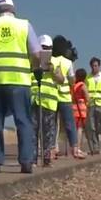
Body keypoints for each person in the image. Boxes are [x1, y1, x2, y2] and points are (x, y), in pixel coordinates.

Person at [0, 0, 42, 174]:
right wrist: (35, 67)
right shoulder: (24, 25)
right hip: (19, 80)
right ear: (13, 10)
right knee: (23, 120)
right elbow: (37, 53)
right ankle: (26, 162)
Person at [30, 34, 60, 167]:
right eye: (43, 47)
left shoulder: (56, 62)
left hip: (49, 103)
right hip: (34, 101)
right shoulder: (32, 61)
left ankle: (47, 159)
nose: (45, 50)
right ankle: (32, 159)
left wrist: (52, 70)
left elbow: (61, 79)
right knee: (32, 131)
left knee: (48, 133)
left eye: (48, 48)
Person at [51, 35, 80, 159]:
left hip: (51, 96)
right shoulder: (67, 62)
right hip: (64, 97)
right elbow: (72, 80)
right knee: (70, 124)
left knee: (52, 124)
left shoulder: (50, 60)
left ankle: (52, 148)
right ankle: (75, 149)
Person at [71, 68, 91, 157]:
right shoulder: (82, 85)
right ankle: (78, 149)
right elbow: (88, 98)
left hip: (73, 109)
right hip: (81, 110)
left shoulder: (73, 86)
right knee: (79, 129)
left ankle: (74, 148)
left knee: (74, 130)